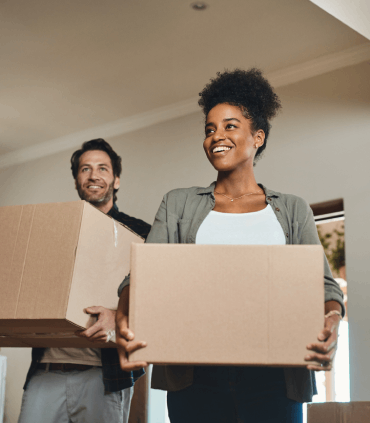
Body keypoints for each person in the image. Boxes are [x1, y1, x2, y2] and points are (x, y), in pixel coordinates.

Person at [115, 69, 345, 423]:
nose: (216, 136)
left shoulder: (293, 209)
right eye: (209, 129)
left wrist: (331, 320)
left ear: (258, 137)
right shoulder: (178, 204)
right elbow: (144, 276)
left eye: (229, 126)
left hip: (276, 378)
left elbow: (324, 286)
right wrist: (125, 315)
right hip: (195, 377)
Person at [18, 139, 151, 423]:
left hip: (104, 376)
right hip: (47, 371)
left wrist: (120, 314)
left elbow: (159, 298)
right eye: (85, 169)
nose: (93, 175)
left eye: (103, 168)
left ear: (116, 180)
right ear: (77, 180)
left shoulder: (141, 232)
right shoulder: (53, 231)